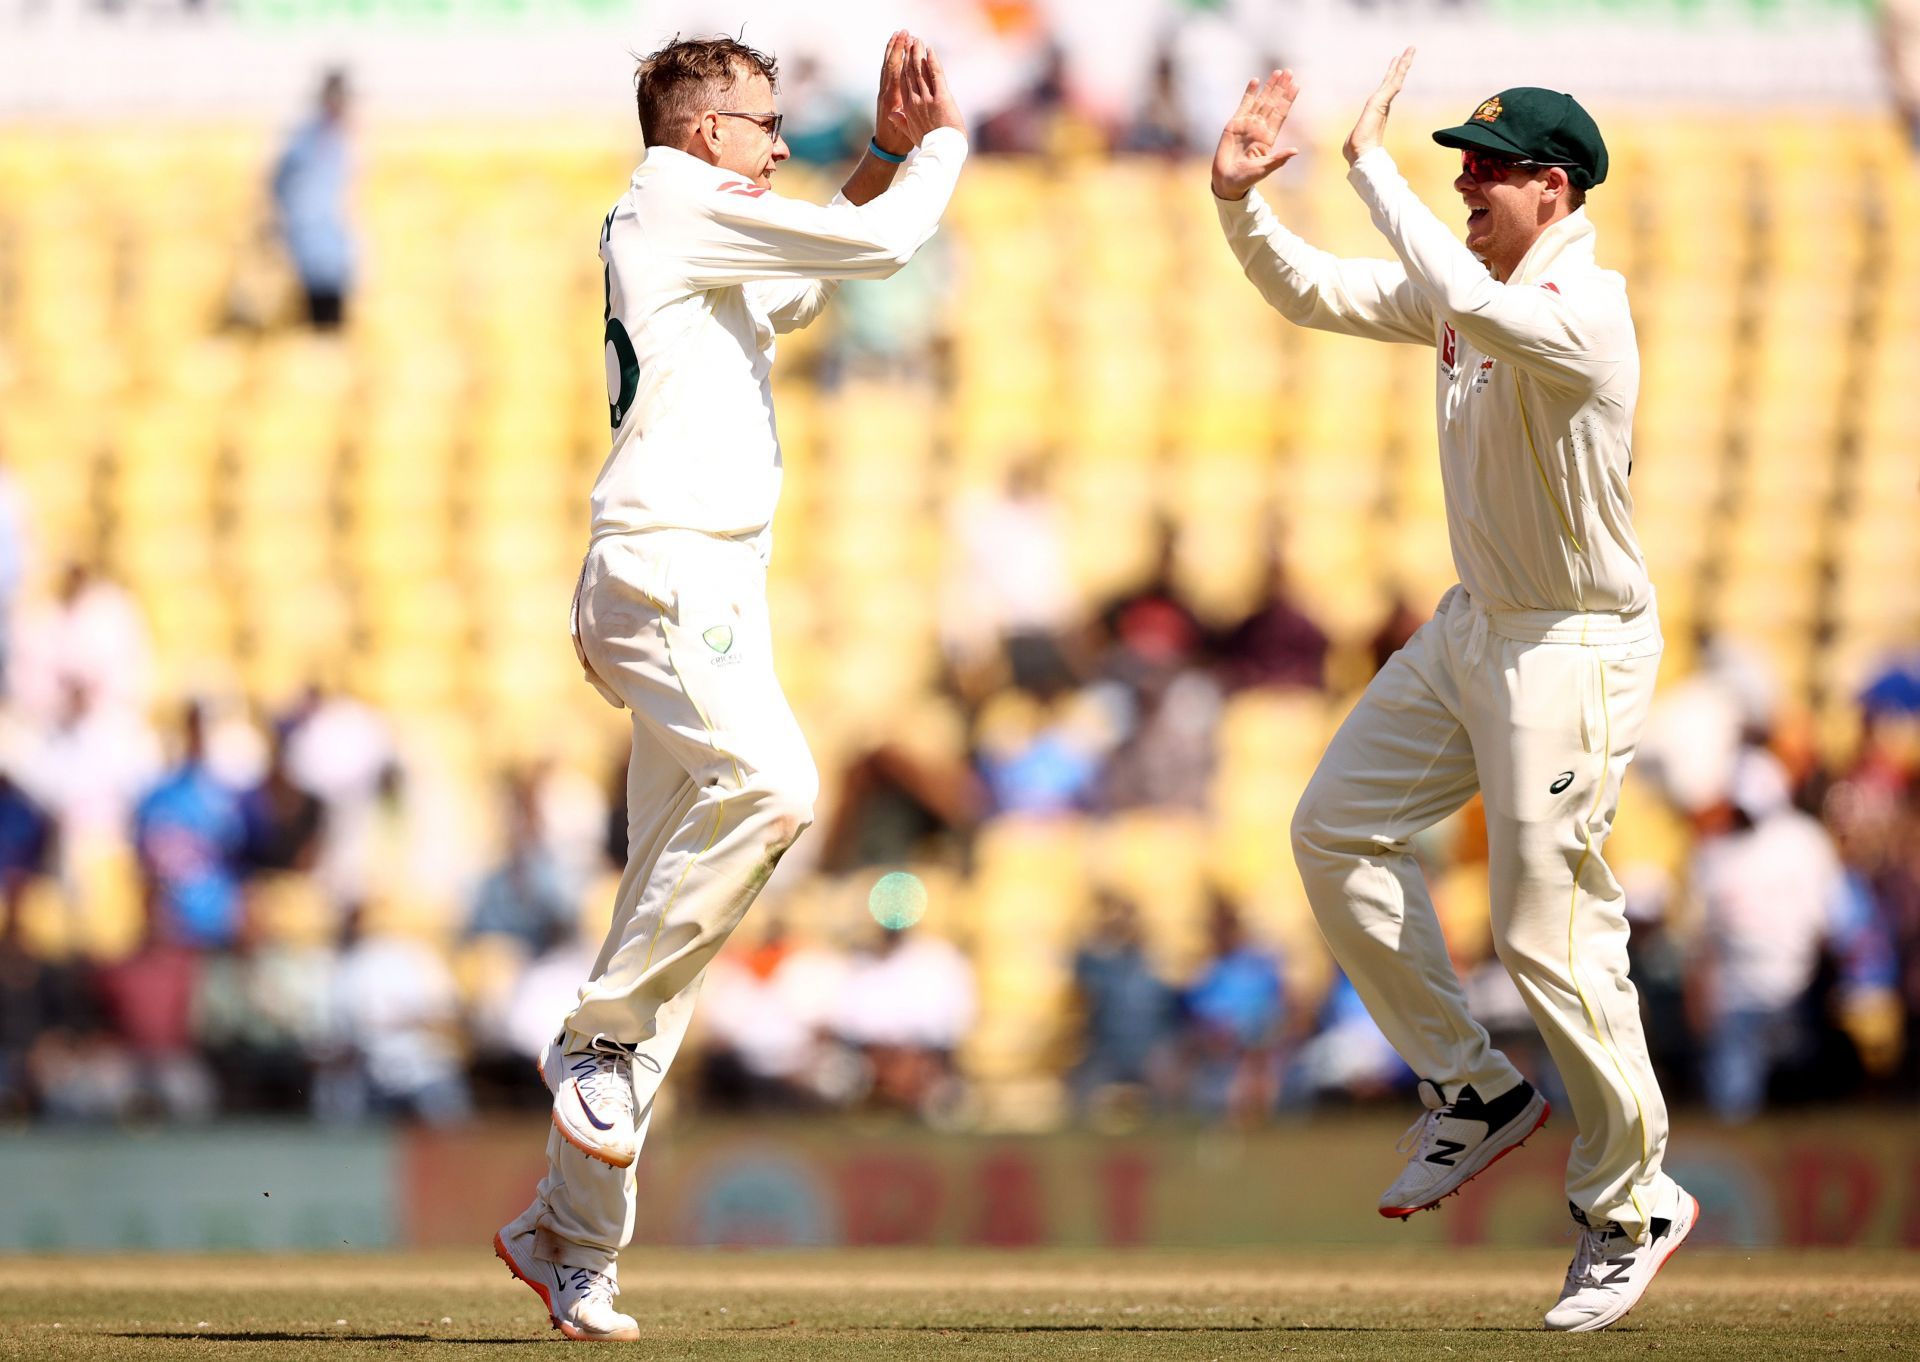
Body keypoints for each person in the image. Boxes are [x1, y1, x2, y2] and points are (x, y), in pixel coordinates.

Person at [491, 31, 967, 1342]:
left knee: (668, 914)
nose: (779, 142)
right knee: (776, 785)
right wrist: (942, 149)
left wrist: (876, 159)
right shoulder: (681, 203)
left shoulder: (699, 224)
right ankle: (592, 1035)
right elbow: (875, 253)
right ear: (705, 133)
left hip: (713, 591)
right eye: (764, 124)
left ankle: (566, 1236)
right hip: (665, 572)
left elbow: (815, 274)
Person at [1212, 54, 1694, 1331]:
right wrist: (1240, 205)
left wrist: (1369, 172)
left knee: (1549, 931)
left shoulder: (1585, 310)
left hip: (1576, 646)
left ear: (1555, 186)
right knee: (1332, 829)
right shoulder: (1465, 293)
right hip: (1477, 627)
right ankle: (1472, 1092)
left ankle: (1632, 1203)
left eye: (1487, 167)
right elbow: (1311, 291)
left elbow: (1472, 309)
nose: (1466, 182)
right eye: (1453, 166)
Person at [271, 69, 355, 329]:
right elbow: (281, 184)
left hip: (334, 249)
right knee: (317, 322)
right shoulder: (307, 138)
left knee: (336, 322)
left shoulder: (341, 139)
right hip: (312, 247)